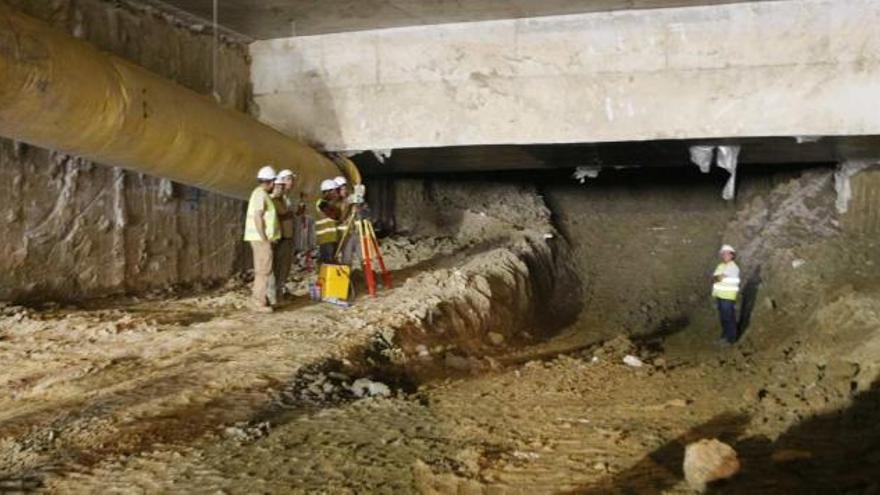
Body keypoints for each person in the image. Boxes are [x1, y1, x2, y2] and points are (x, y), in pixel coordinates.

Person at [244, 165, 281, 313]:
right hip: (260, 240)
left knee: (262, 270)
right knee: (263, 270)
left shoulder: (260, 194)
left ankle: (261, 299)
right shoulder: (260, 194)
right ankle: (258, 302)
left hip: (259, 239)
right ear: (271, 182)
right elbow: (258, 216)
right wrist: (264, 238)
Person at [268, 169, 297, 304]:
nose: (292, 183)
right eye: (290, 179)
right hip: (281, 237)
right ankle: (276, 296)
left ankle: (280, 293)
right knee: (278, 267)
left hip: (288, 236)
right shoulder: (275, 198)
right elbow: (277, 215)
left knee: (284, 267)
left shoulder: (285, 198)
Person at [712, 245, 741, 344]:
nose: (724, 255)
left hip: (728, 296)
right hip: (720, 295)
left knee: (729, 318)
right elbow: (715, 277)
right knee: (723, 318)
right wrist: (717, 277)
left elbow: (718, 278)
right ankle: (724, 337)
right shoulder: (721, 266)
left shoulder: (733, 267)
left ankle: (731, 339)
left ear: (732, 255)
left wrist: (717, 277)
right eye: (723, 253)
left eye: (727, 253)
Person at [315, 179, 342, 264]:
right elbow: (335, 215)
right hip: (325, 239)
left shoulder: (329, 204)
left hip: (331, 238)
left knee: (331, 262)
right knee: (327, 263)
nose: (336, 194)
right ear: (327, 192)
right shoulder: (321, 203)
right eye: (334, 191)